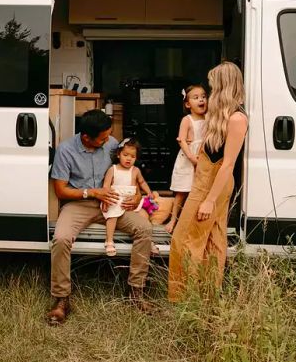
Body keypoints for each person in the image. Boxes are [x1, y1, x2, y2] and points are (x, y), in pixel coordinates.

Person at [48, 109, 153, 325]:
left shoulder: (112, 143)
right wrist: (93, 192)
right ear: (86, 137)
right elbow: (61, 190)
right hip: (81, 203)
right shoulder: (66, 150)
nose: (109, 141)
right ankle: (61, 299)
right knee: (61, 238)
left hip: (115, 203)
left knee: (144, 229)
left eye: (109, 136)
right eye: (103, 138)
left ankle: (136, 291)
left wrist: (137, 195)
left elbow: (130, 172)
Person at [168, 62, 248, 301]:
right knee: (213, 239)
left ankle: (184, 296)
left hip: (214, 185)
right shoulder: (219, 115)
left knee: (184, 238)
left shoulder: (237, 118)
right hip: (205, 180)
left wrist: (209, 201)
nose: (210, 92)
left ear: (223, 86)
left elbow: (228, 164)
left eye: (213, 86)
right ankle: (208, 297)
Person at [102, 137, 160, 257]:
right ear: (118, 154)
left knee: (144, 215)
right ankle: (109, 240)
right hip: (116, 199)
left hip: (132, 200)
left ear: (136, 158)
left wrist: (149, 192)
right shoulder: (113, 170)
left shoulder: (136, 170)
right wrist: (106, 198)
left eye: (132, 157)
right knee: (112, 216)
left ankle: (148, 241)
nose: (129, 158)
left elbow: (142, 182)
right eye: (125, 155)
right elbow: (106, 185)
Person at [167, 84, 208, 234]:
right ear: (187, 104)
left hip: (203, 157)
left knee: (199, 190)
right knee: (182, 191)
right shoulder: (187, 119)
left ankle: (192, 220)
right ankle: (173, 220)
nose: (201, 100)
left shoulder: (208, 118)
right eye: (196, 98)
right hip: (188, 158)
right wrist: (192, 157)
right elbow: (181, 140)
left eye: (203, 96)